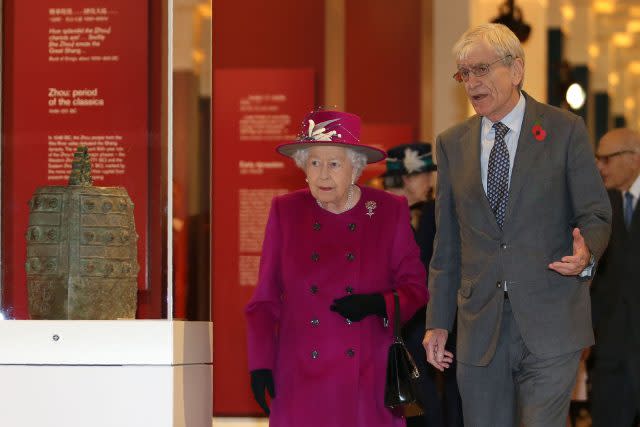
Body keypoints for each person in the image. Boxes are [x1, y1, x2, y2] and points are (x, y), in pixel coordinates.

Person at [421, 23, 612, 427]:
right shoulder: (452, 143)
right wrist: (438, 322)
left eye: (482, 69)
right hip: (479, 326)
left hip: (552, 318)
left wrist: (586, 252)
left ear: (517, 69)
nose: (472, 83)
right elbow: (448, 244)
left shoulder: (565, 130)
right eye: (464, 74)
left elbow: (595, 212)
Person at [245, 109, 429, 427]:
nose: (323, 175)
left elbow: (416, 288)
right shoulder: (285, 212)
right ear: (303, 167)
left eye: (334, 164)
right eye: (314, 163)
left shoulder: (388, 211)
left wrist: (377, 303)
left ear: (355, 168)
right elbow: (264, 300)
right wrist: (260, 363)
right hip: (300, 375)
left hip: (367, 376)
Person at [383, 142, 463, 427]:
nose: (429, 181)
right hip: (400, 320)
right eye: (423, 174)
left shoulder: (435, 211)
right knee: (412, 397)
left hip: (436, 316)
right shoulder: (380, 213)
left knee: (442, 396)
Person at [590, 128, 640, 427]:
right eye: (598, 158)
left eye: (607, 158)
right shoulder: (599, 207)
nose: (599, 166)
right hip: (610, 351)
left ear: (634, 159)